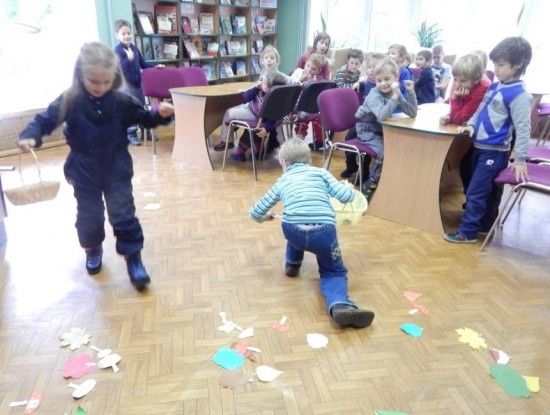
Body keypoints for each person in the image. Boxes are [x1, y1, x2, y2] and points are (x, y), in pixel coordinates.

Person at [17, 42, 174, 290]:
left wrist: (160, 114)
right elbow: (44, 120)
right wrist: (31, 135)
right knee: (89, 217)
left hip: (116, 170)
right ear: (81, 74)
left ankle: (134, 259)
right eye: (94, 81)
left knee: (124, 215)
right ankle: (93, 249)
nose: (101, 87)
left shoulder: (121, 101)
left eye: (106, 82)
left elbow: (144, 118)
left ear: (114, 77)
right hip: (83, 171)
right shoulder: (70, 100)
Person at [249, 138, 375, 329]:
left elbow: (255, 213)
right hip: (323, 233)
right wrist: (348, 188)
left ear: (284, 162)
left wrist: (265, 217)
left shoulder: (282, 181)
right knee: (333, 271)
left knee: (293, 220)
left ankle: (292, 265)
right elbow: (346, 197)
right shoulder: (321, 173)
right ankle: (340, 305)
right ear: (308, 160)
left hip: (294, 232)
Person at [444, 36, 532, 243]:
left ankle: (468, 232)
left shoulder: (520, 94)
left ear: (517, 64)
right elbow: (480, 111)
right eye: (495, 64)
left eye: (501, 65)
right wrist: (472, 125)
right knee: (483, 189)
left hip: (494, 152)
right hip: (479, 146)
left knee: (476, 192)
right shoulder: (495, 86)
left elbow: (523, 129)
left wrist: (519, 160)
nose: (496, 69)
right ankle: (483, 225)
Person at [355, 57, 417, 200]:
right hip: (367, 131)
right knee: (385, 152)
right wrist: (395, 97)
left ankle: (389, 183)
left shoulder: (395, 92)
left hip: (383, 130)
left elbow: (412, 112)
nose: (383, 84)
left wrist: (411, 93)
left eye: (387, 79)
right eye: (379, 80)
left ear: (396, 77)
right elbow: (382, 115)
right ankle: (371, 182)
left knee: (402, 148)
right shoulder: (373, 95)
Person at [213, 46, 291, 158]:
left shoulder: (273, 89)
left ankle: (226, 141)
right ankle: (255, 144)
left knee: (228, 112)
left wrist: (255, 89)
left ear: (277, 61)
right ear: (262, 61)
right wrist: (256, 87)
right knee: (239, 107)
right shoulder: (271, 76)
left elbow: (248, 98)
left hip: (256, 114)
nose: (269, 60)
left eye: (272, 58)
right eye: (266, 58)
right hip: (253, 108)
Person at [440, 54, 492, 204]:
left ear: (476, 79)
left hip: (483, 138)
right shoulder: (461, 84)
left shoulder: (482, 88)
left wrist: (455, 99)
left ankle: (471, 202)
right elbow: (458, 115)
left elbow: (462, 118)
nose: (457, 84)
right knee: (464, 164)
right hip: (470, 132)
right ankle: (469, 199)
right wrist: (450, 116)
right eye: (455, 79)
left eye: (462, 81)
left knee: (469, 166)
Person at [114, 19, 165, 146]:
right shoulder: (118, 50)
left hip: (138, 85)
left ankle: (145, 132)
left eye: (128, 33)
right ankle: (131, 134)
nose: (127, 36)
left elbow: (142, 64)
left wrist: (154, 66)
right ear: (117, 36)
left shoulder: (135, 49)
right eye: (123, 34)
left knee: (141, 108)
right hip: (125, 88)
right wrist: (128, 59)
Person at [341, 52, 385, 179]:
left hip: (373, 125)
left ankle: (364, 171)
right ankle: (351, 165)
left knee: (365, 148)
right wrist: (358, 83)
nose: (371, 71)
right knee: (348, 139)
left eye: (375, 68)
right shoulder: (366, 82)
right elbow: (363, 81)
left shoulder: (381, 86)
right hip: (362, 122)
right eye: (370, 67)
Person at [290, 53, 327, 149]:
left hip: (305, 105)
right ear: (305, 63)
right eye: (308, 66)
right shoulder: (298, 72)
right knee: (303, 117)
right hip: (293, 103)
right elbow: (290, 85)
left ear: (318, 71)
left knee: (318, 116)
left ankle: (320, 141)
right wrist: (301, 79)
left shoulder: (314, 80)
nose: (309, 70)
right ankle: (299, 140)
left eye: (313, 69)